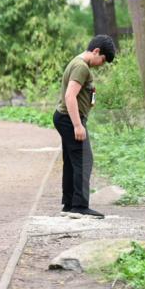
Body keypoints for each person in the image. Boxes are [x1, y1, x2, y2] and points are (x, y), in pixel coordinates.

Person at [53, 35, 116, 219]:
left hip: (65, 118)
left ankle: (70, 204)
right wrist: (78, 125)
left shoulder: (78, 63)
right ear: (96, 51)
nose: (101, 64)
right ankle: (80, 206)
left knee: (72, 161)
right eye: (102, 60)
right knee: (83, 159)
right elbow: (70, 96)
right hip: (70, 119)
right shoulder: (81, 67)